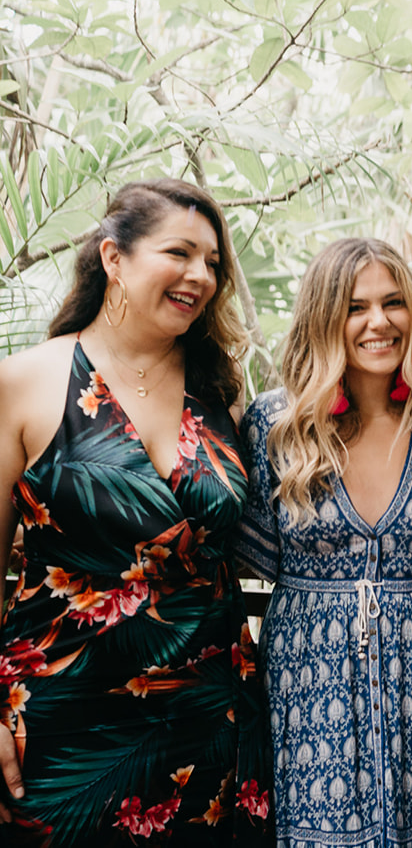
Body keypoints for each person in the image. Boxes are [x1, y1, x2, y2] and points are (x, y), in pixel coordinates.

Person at [0, 178, 273, 845]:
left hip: (211, 724)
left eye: (213, 262)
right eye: (180, 252)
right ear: (113, 257)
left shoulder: (223, 396)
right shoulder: (26, 382)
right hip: (63, 727)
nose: (201, 275)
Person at [237, 238, 412, 847]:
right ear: (325, 317)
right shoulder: (275, 427)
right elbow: (243, 567)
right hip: (308, 678)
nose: (379, 322)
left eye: (394, 303)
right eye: (356, 307)